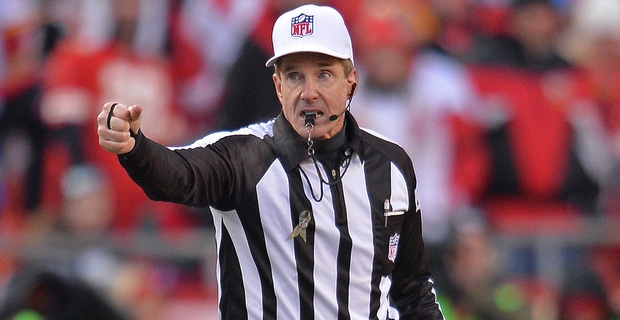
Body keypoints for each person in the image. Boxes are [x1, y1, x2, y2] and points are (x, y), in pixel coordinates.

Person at [96, 4, 444, 319]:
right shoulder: (243, 157)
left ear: (350, 81)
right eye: (295, 76)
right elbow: (177, 175)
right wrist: (135, 148)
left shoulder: (391, 164)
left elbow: (412, 291)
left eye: (323, 74)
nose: (309, 92)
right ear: (278, 86)